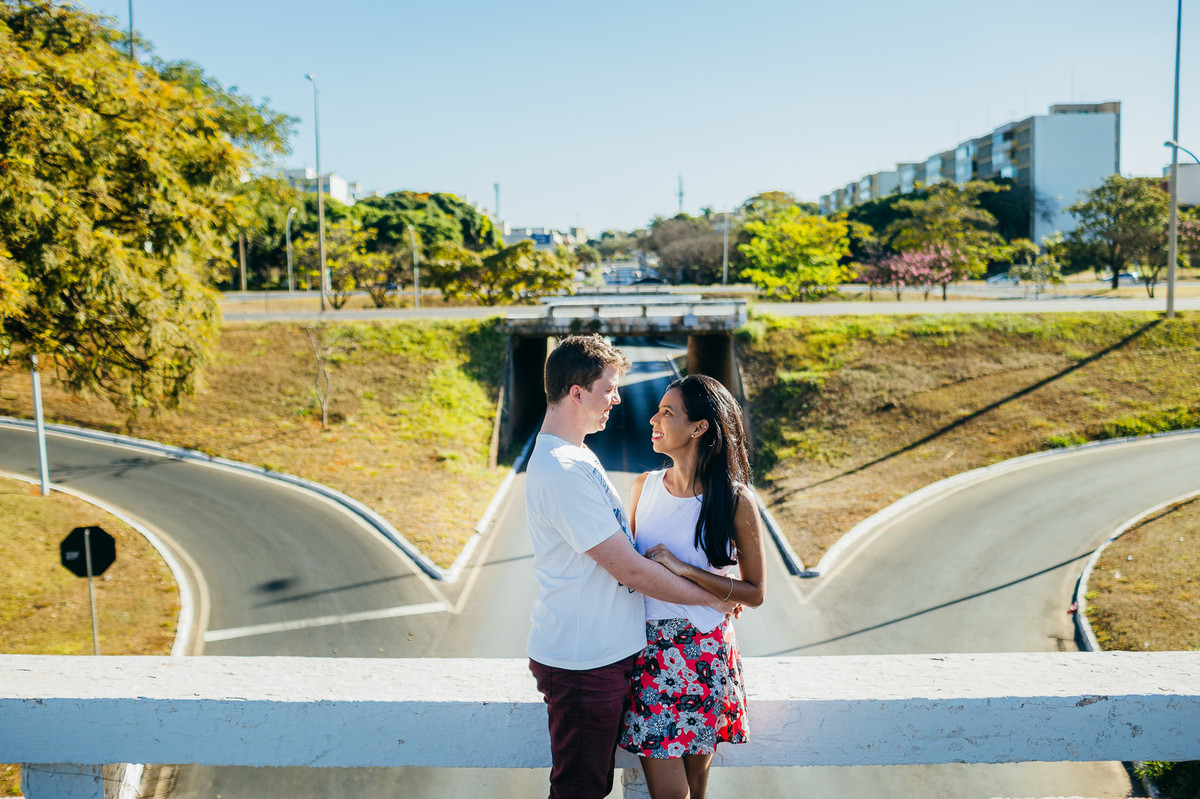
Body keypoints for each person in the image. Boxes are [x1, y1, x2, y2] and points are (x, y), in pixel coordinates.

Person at [525, 335, 737, 799]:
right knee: (579, 790)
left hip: (602, 657)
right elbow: (632, 570)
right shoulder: (562, 470)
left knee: (592, 784)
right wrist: (715, 597)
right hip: (583, 663)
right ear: (577, 393)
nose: (618, 398)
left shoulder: (578, 457)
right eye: (609, 388)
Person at [618, 374, 766, 799]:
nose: (654, 419)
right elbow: (630, 574)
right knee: (672, 795)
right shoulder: (642, 487)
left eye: (668, 412)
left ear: (700, 427)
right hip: (649, 657)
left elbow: (755, 593)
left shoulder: (735, 499)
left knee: (696, 791)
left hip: (705, 654)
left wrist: (684, 569)